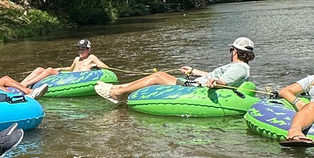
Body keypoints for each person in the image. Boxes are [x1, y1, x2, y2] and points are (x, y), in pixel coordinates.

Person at [95, 37, 256, 103]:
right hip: (195, 83)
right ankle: (119, 88)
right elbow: (214, 75)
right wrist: (193, 71)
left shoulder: (240, 68)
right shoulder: (238, 67)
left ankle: (117, 92)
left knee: (158, 76)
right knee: (158, 75)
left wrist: (215, 82)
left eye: (231, 50)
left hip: (194, 89)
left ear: (235, 51)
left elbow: (224, 81)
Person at [21, 39, 111, 87]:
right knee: (39, 69)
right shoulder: (77, 59)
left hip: (76, 79)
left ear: (89, 49)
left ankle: (27, 84)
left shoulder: (91, 57)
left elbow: (106, 67)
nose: (80, 51)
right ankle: (21, 84)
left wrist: (95, 66)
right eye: (79, 49)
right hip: (68, 77)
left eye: (83, 49)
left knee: (49, 70)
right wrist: (60, 68)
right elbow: (71, 69)